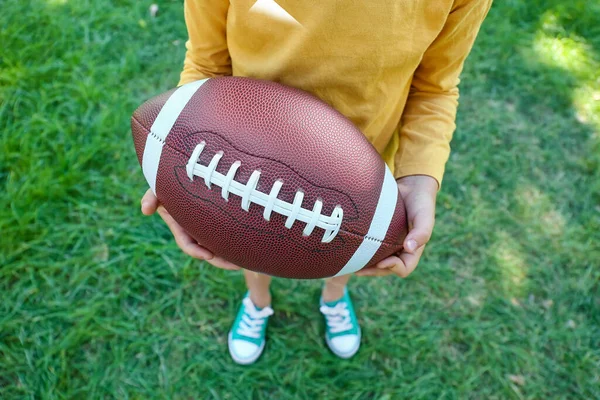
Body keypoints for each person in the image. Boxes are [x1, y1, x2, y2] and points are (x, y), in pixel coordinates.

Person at [141, 0, 492, 364]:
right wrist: (177, 159)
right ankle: (258, 301)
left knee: (345, 242)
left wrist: (420, 174)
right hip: (245, 160)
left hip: (362, 168)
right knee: (251, 238)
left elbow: (435, 87)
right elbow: (207, 63)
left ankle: (335, 295)